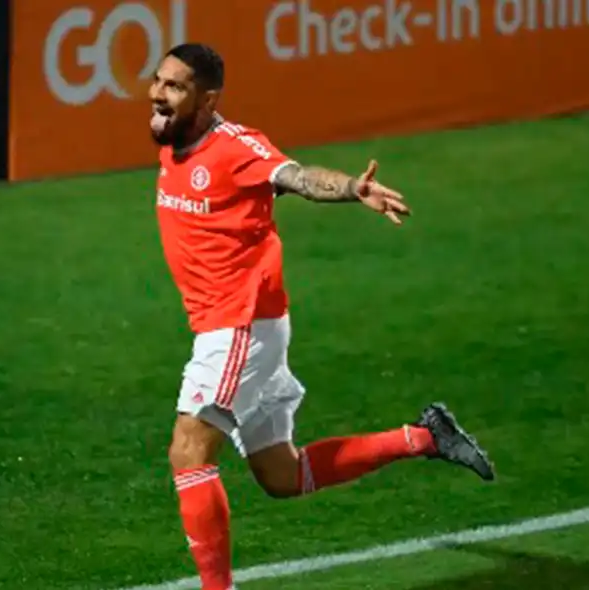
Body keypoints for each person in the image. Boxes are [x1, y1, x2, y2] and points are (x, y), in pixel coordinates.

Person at [149, 43, 495, 590]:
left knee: (188, 451)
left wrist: (353, 189)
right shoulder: (175, 140)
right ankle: (425, 437)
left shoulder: (236, 147)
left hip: (239, 325)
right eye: (158, 80)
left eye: (173, 86)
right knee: (282, 476)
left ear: (207, 98)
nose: (157, 94)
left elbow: (298, 177)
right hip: (240, 324)